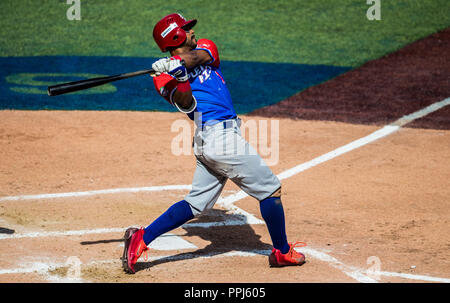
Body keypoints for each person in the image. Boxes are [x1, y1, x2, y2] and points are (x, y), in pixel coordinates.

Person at [122, 13, 306, 274]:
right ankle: (282, 252)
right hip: (218, 140)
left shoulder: (205, 47)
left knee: (197, 203)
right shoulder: (161, 78)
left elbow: (201, 57)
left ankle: (141, 237)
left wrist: (178, 63)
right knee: (269, 189)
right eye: (186, 29)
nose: (193, 31)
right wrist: (180, 78)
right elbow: (187, 104)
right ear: (174, 36)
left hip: (216, 141)